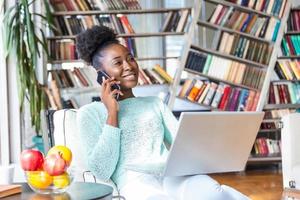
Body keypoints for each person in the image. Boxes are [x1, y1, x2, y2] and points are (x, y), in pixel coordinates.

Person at [76, 25, 249, 200]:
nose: (129, 66)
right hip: (135, 182)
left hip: (170, 174)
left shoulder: (154, 103)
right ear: (102, 75)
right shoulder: (89, 113)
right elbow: (101, 170)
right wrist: (112, 113)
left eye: (131, 59)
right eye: (118, 63)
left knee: (211, 193)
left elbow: (181, 146)